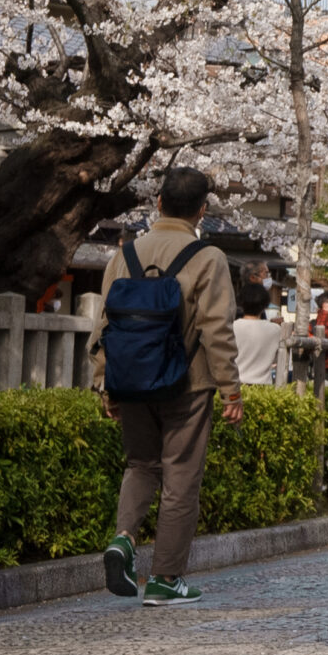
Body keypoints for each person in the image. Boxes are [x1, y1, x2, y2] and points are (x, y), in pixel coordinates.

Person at [96, 167, 243, 607]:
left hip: (131, 381)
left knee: (141, 464)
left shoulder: (125, 254)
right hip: (189, 384)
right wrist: (231, 390)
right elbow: (218, 329)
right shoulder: (208, 257)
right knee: (180, 477)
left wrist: (104, 383)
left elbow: (105, 323)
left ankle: (123, 539)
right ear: (202, 210)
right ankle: (165, 579)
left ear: (157, 202)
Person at [232, 282, 285, 388]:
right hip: (263, 388)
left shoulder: (231, 327)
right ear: (265, 304)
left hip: (235, 385)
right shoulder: (275, 330)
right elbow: (277, 360)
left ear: (241, 303)